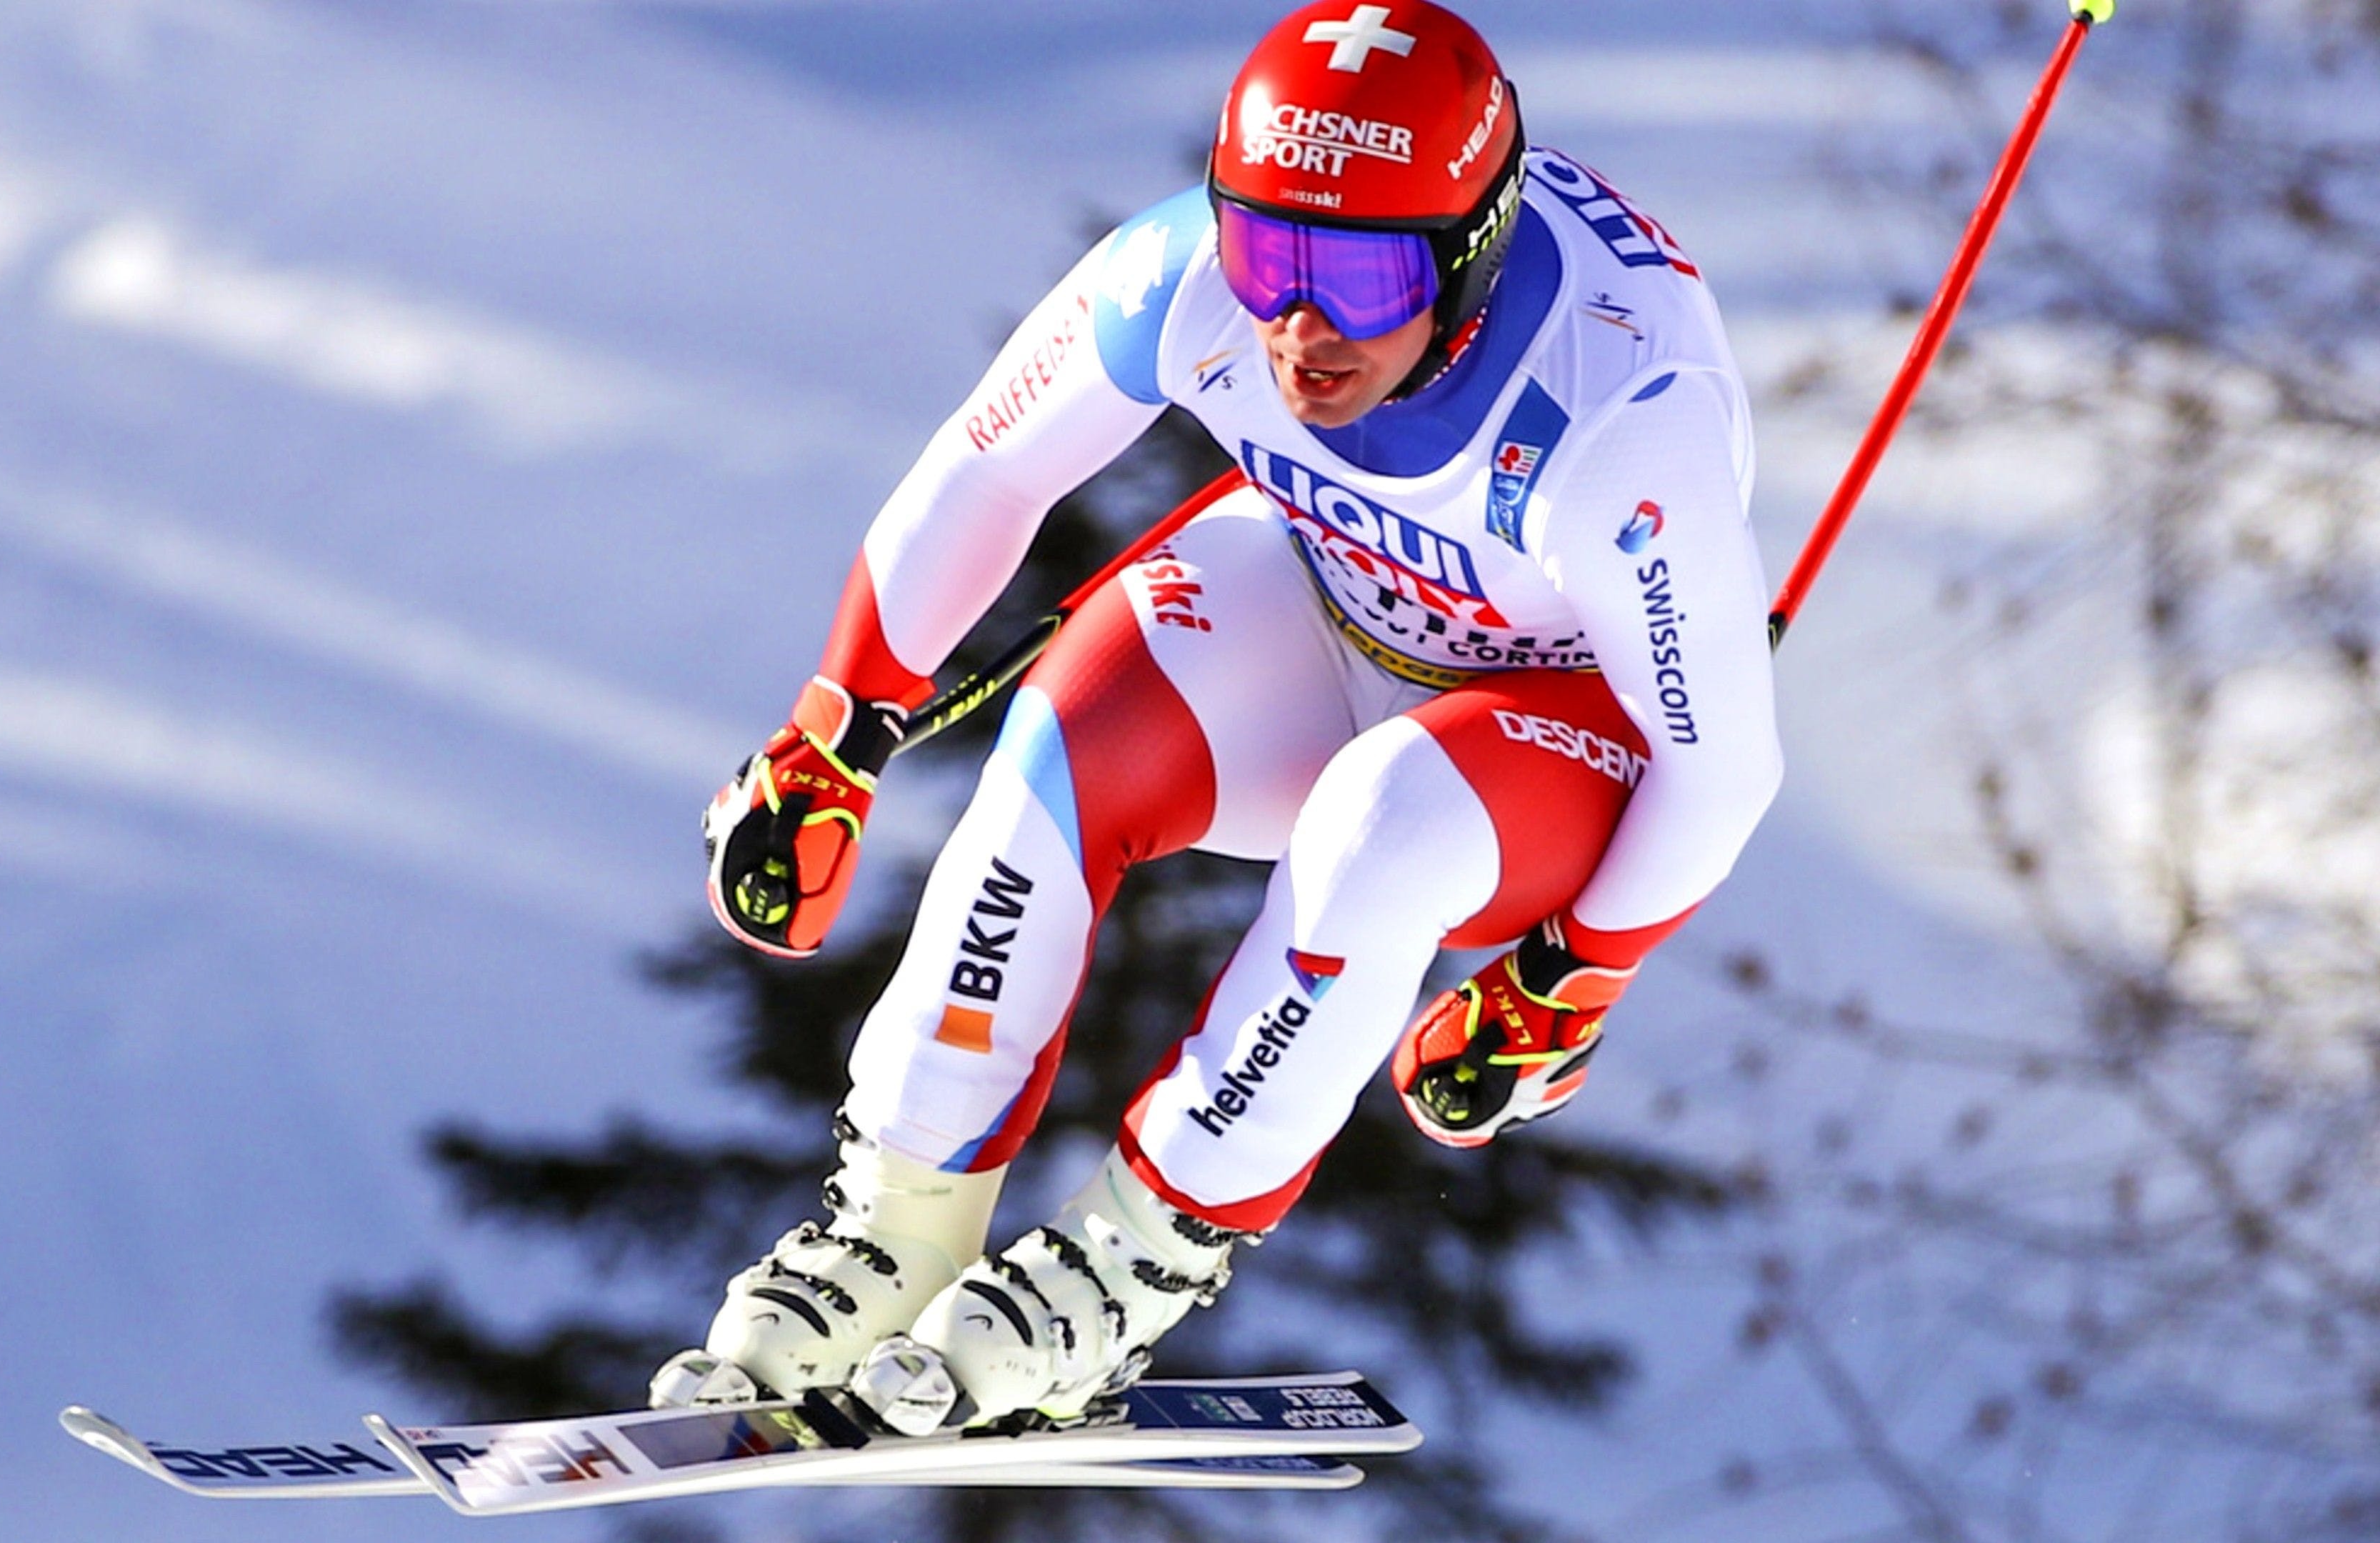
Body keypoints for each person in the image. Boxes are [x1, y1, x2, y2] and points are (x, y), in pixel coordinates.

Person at [653, 0, 1782, 1436]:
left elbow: (1724, 765)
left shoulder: (1615, 421)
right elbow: (987, 473)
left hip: (1560, 727)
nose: (1303, 331)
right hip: (1339, 601)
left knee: (1385, 825)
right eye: (1271, 255)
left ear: (1472, 255)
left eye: (1364, 279)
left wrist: (1573, 979)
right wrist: (836, 733)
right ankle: (900, 1215)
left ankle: (1141, 1250)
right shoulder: (1183, 279)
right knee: (1065, 732)